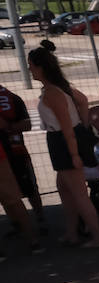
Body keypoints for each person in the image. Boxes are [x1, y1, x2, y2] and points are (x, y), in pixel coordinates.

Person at [27, 41, 99, 248]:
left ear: (41, 67)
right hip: (61, 139)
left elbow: (67, 128)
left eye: (31, 66)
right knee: (63, 187)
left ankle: (97, 237)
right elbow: (83, 100)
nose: (29, 70)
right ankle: (72, 233)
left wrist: (75, 154)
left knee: (78, 192)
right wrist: (84, 126)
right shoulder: (58, 87)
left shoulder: (54, 92)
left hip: (64, 140)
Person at [0, 82, 46, 232]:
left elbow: (27, 124)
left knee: (29, 188)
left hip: (16, 152)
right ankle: (16, 224)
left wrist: (8, 126)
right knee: (6, 193)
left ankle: (40, 219)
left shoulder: (12, 98)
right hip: (5, 155)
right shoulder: (12, 97)